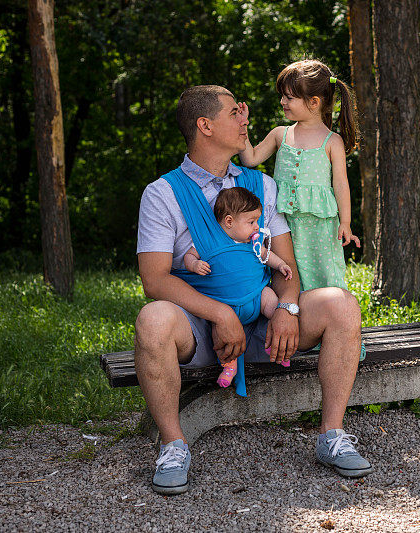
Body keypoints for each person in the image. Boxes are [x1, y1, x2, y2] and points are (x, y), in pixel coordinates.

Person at [135, 84, 371, 496]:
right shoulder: (162, 194)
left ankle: (331, 436)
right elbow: (154, 281)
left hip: (263, 320)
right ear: (204, 126)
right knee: (152, 319)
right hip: (196, 328)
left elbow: (286, 265)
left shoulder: (262, 186)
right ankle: (173, 446)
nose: (246, 118)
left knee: (342, 306)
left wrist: (288, 308)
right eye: (234, 113)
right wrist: (221, 315)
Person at [238, 59, 360, 291]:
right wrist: (243, 126)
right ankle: (294, 317)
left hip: (320, 226)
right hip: (284, 223)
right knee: (288, 273)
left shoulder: (332, 141)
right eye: (282, 96)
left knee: (324, 271)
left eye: (289, 97)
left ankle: (331, 314)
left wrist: (345, 221)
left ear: (314, 102)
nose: (282, 102)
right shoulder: (280, 135)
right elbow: (250, 158)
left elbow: (341, 184)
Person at [182, 186, 293, 389]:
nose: (257, 227)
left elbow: (267, 255)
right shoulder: (208, 241)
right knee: (219, 331)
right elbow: (189, 256)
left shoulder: (254, 243)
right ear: (229, 221)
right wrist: (195, 265)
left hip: (257, 297)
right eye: (251, 222)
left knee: (274, 305)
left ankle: (276, 347)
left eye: (257, 221)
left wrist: (281, 265)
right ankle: (229, 366)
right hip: (225, 306)